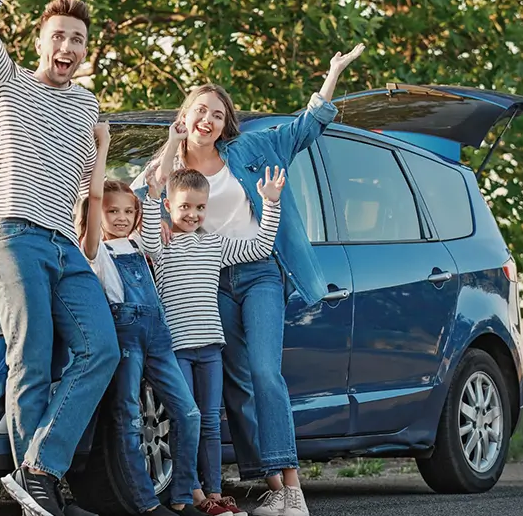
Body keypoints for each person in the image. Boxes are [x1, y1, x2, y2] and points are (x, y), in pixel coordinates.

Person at [135, 44, 365, 516]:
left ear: (225, 125)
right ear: (185, 116)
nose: (209, 119)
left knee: (263, 371)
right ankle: (269, 483)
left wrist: (332, 76)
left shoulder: (249, 150)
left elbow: (305, 129)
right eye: (200, 110)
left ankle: (292, 487)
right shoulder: (165, 170)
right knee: (236, 385)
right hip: (207, 284)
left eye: (218, 114)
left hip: (258, 271)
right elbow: (135, 206)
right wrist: (168, 145)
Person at [0, 0, 120, 515]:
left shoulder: (87, 105)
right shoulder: (5, 85)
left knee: (102, 347)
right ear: (39, 42)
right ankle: (42, 495)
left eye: (78, 39)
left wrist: (101, 153)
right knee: (30, 352)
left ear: (84, 51)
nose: (69, 47)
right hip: (9, 231)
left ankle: (39, 470)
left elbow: (88, 189)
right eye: (59, 36)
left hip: (63, 244)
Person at [142, 126, 286, 516]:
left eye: (200, 208)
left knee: (209, 421)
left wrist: (269, 204)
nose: (192, 214)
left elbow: (260, 247)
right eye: (184, 206)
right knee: (185, 420)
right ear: (170, 206)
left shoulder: (214, 244)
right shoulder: (160, 242)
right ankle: (187, 494)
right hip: (176, 349)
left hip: (210, 348)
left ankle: (214, 492)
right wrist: (158, 186)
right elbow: (147, 204)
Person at [77, 122, 203, 516]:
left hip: (158, 334)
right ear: (97, 213)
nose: (120, 217)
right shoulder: (93, 251)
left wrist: (173, 141)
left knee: (189, 412)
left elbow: (158, 184)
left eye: (127, 211)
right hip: (126, 335)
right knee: (127, 417)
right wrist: (103, 146)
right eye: (112, 211)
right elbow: (95, 193)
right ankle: (146, 504)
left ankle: (182, 494)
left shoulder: (140, 241)